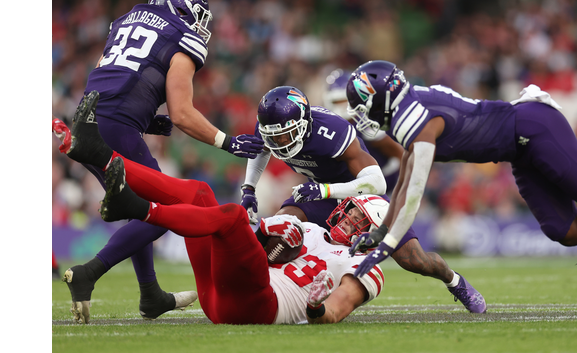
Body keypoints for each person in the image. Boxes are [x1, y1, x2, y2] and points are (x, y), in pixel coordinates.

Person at [345, 60, 577, 320]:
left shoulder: (416, 120)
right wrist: (381, 231)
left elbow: (416, 191)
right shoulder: (410, 108)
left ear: (380, 99)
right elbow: (406, 172)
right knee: (567, 232)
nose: (364, 116)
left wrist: (388, 244)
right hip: (517, 149)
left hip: (534, 128)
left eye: (364, 106)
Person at [52, 95, 386, 325]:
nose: (350, 217)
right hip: (222, 295)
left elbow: (337, 309)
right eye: (353, 211)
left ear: (372, 233)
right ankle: (100, 155)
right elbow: (256, 250)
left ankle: (138, 207)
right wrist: (263, 229)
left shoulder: (365, 264)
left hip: (259, 306)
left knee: (232, 217)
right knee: (200, 193)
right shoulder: (313, 229)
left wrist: (316, 307)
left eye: (361, 219)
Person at [57, 0, 263, 322]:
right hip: (117, 127)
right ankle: (90, 272)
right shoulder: (182, 36)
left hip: (89, 122)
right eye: (196, 14)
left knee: (140, 206)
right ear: (179, 7)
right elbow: (182, 113)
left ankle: (150, 293)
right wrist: (228, 142)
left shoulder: (125, 20)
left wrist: (145, 118)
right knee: (171, 208)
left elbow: (105, 75)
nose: (199, 23)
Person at [239, 86, 486, 313]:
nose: (280, 142)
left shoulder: (332, 132)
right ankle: (258, 289)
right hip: (320, 194)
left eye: (285, 135)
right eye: (275, 137)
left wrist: (324, 190)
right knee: (281, 227)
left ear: (303, 124)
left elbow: (377, 182)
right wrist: (249, 189)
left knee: (414, 259)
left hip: (359, 194)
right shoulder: (271, 126)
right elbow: (260, 149)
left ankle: (454, 281)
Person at [324, 69, 403, 195]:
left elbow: (398, 152)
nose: (342, 105)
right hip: (354, 187)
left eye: (344, 99)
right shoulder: (326, 123)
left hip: (384, 184)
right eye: (337, 101)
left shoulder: (368, 122)